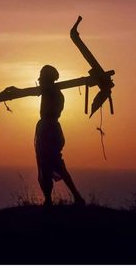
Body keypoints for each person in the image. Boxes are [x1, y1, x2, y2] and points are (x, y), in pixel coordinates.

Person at [35, 65, 85, 206]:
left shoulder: (51, 91)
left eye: (42, 78)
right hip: (50, 130)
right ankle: (50, 199)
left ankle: (76, 197)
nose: (39, 81)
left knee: (53, 164)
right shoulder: (51, 91)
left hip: (49, 131)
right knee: (47, 164)